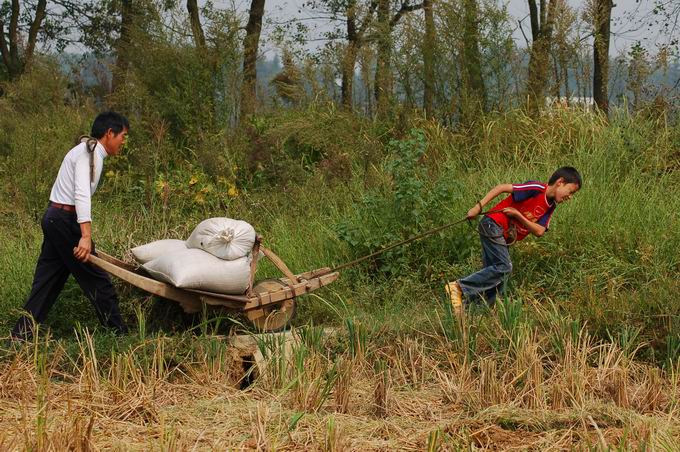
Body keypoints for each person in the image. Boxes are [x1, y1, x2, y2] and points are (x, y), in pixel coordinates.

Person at [11, 111, 130, 340]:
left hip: (55, 218)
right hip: (65, 221)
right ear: (109, 133)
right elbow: (81, 195)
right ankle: (120, 335)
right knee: (98, 281)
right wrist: (85, 236)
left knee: (47, 282)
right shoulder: (89, 154)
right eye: (122, 136)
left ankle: (20, 337)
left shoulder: (88, 152)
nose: (123, 141)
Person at [445, 167, 582, 313]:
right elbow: (502, 188)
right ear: (560, 182)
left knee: (499, 281)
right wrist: (478, 207)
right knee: (504, 267)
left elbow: (539, 231)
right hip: (493, 224)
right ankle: (458, 287)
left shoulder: (551, 206)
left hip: (503, 235)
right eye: (571, 191)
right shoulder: (536, 189)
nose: (570, 197)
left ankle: (468, 310)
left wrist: (518, 215)